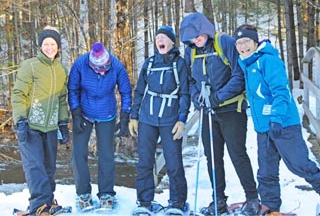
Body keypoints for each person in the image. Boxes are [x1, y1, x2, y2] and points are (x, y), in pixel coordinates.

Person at [234, 24, 320, 215]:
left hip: (284, 124)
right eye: (239, 43)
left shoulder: (268, 61)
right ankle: (271, 207)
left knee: (301, 166)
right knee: (266, 172)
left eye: (246, 41)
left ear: (255, 42)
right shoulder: (246, 63)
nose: (242, 46)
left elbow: (281, 92)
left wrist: (277, 118)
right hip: (263, 128)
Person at [179, 12, 260, 215]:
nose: (196, 41)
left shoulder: (223, 43)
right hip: (207, 112)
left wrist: (219, 97)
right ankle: (218, 199)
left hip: (231, 109)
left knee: (237, 154)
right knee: (212, 156)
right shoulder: (191, 52)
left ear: (206, 30)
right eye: (192, 39)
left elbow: (238, 73)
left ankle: (252, 197)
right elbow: (190, 80)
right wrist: (197, 97)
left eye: (198, 36)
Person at [129, 26, 190, 214]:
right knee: (145, 161)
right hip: (148, 118)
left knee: (174, 162)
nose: (160, 40)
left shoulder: (180, 64)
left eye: (164, 37)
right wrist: (134, 116)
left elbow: (185, 93)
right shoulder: (149, 64)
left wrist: (182, 119)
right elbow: (139, 91)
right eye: (157, 38)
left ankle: (177, 203)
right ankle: (144, 202)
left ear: (172, 42)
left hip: (170, 119)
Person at [11, 26, 69, 216]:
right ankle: (38, 206)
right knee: (35, 167)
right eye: (46, 44)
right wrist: (20, 121)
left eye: (53, 44)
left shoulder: (60, 70)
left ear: (58, 47)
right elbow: (19, 94)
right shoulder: (31, 66)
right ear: (40, 46)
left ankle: (48, 201)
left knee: (49, 167)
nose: (49, 47)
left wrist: (63, 123)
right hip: (30, 126)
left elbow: (61, 99)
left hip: (50, 127)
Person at [67, 42, 132, 211]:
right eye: (97, 68)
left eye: (104, 67)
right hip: (84, 111)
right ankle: (83, 193)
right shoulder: (81, 64)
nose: (101, 71)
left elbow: (125, 91)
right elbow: (72, 88)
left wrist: (125, 117)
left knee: (106, 153)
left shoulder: (116, 65)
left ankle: (106, 193)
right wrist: (75, 113)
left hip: (106, 112)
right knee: (78, 152)